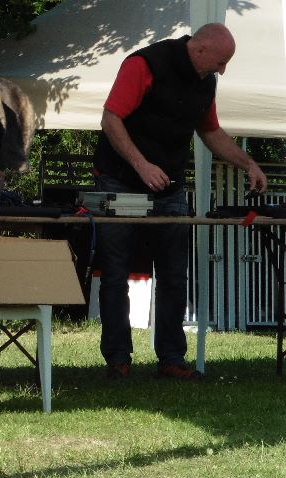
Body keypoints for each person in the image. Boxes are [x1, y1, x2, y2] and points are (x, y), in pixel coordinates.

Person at [92, 23, 268, 381]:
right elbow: (111, 119)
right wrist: (141, 165)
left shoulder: (206, 81)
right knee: (115, 273)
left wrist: (248, 163)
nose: (222, 71)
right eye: (221, 62)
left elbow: (211, 131)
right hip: (120, 180)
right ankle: (118, 358)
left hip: (169, 186)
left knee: (174, 275)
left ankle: (171, 358)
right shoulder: (145, 64)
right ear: (200, 49)